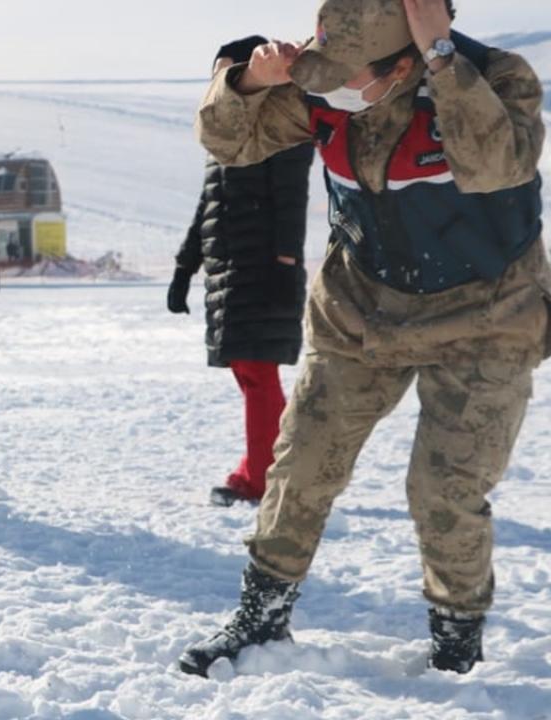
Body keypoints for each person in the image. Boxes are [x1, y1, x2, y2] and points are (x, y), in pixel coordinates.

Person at [178, 0, 551, 678]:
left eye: (351, 76)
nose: (331, 90)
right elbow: (228, 142)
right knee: (301, 463)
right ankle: (260, 616)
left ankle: (457, 643)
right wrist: (247, 83)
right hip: (360, 311)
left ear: (404, 62)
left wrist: (445, 65)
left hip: (486, 319)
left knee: (442, 488)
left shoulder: (499, 77)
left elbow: (496, 164)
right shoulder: (324, 92)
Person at [168, 35, 314, 507]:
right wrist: (184, 266)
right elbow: (206, 207)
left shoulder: (281, 131)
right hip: (229, 271)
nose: (219, 84)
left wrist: (284, 264)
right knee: (248, 372)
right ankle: (278, 465)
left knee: (256, 374)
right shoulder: (223, 141)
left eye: (227, 71)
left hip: (262, 268)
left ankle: (259, 479)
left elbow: (293, 201)